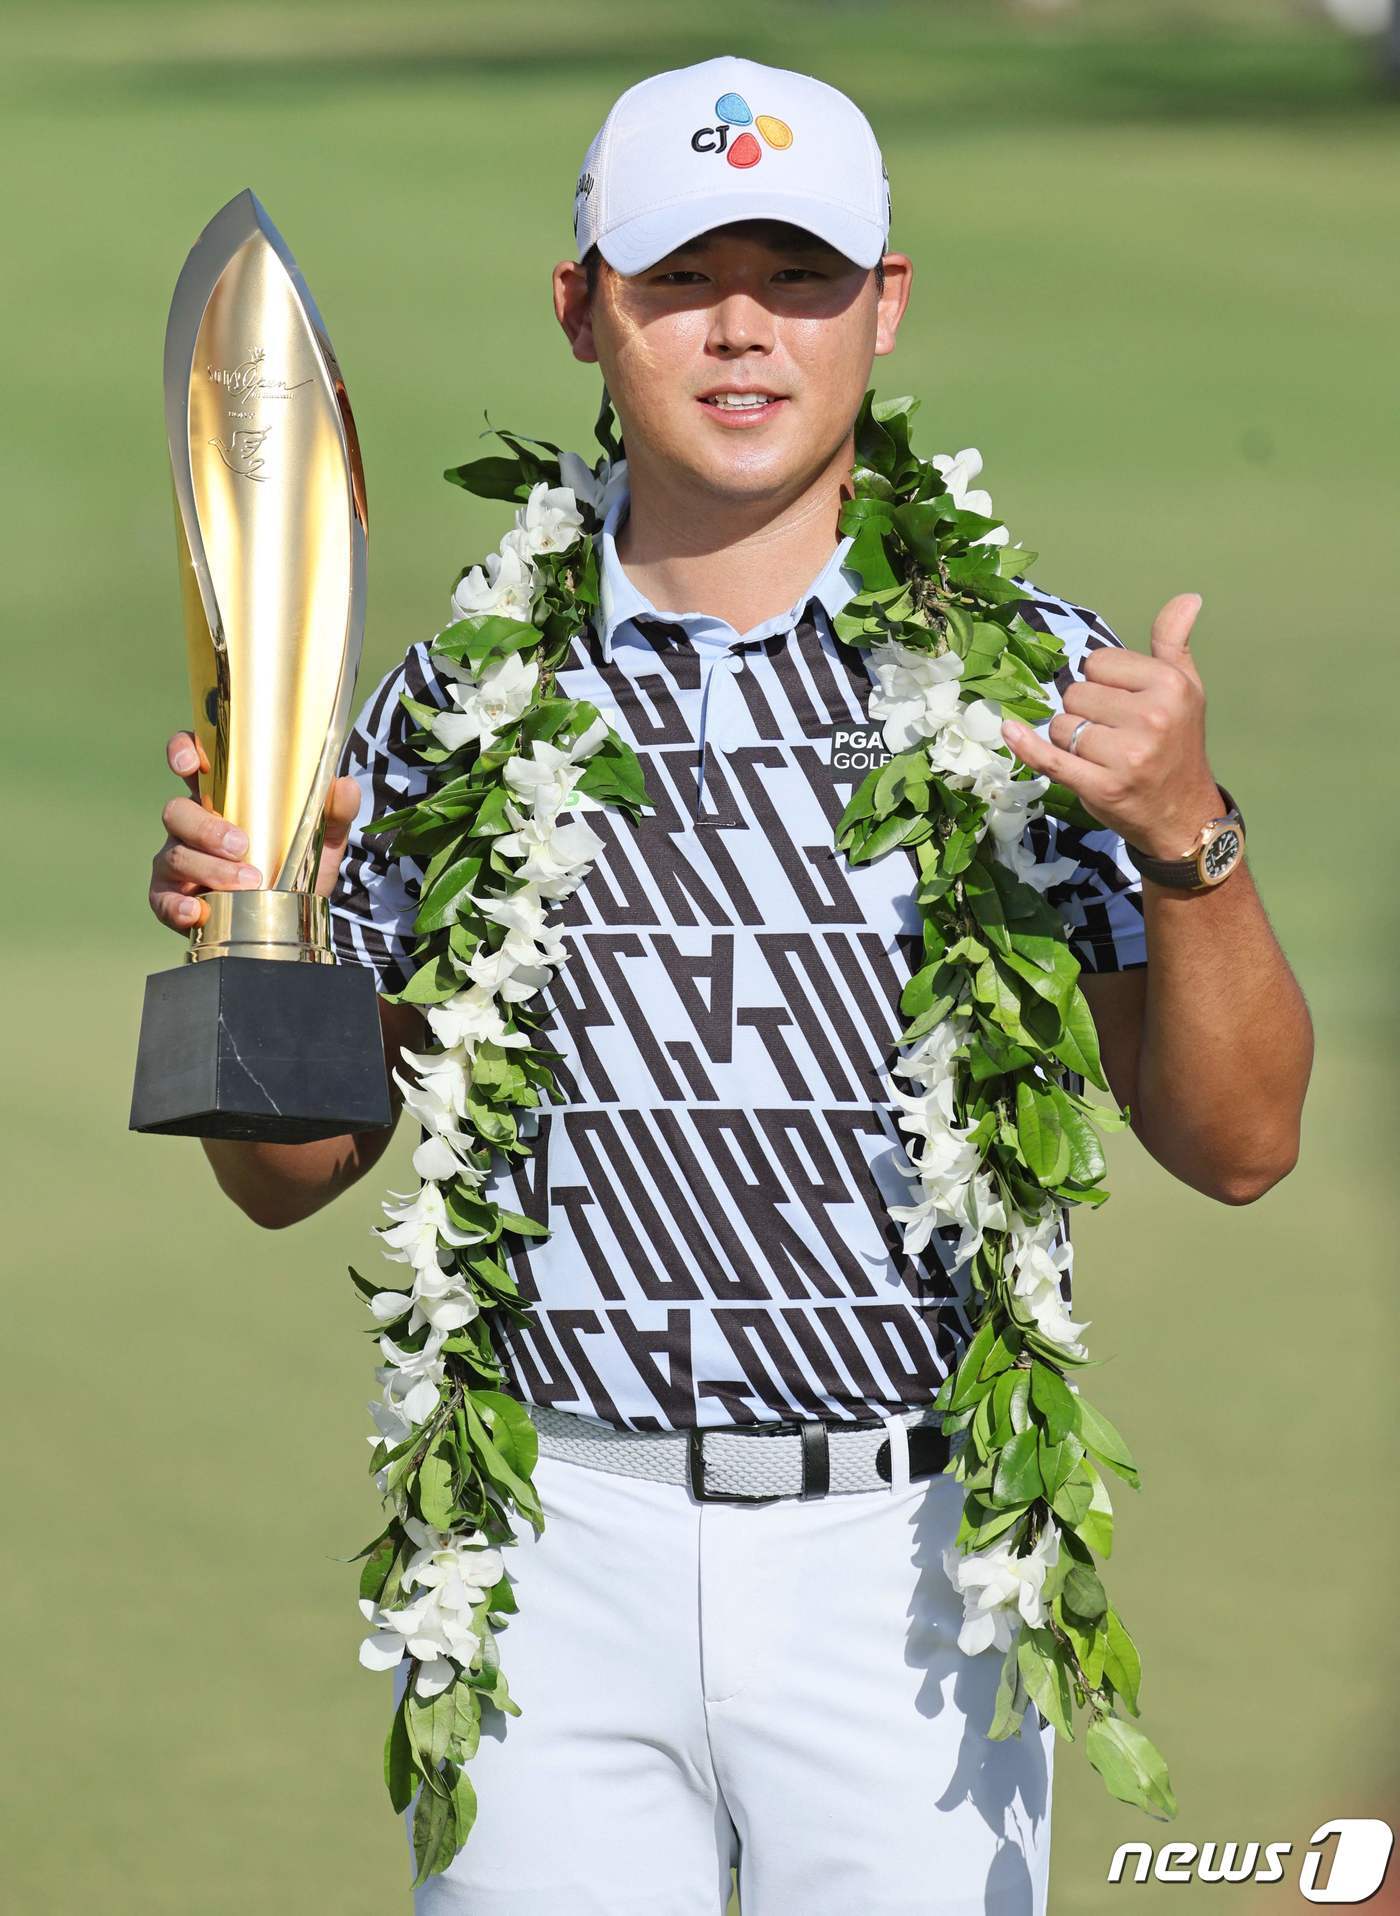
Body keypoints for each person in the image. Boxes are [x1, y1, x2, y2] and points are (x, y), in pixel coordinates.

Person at [146, 54, 1313, 1916]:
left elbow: (1243, 1146)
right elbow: (290, 1178)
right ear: (582, 311)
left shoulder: (1033, 679)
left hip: (909, 1570)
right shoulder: (453, 709)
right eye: (682, 279)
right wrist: (249, 948)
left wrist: (1187, 835)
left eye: (802, 278)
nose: (744, 333)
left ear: (888, 304)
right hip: (548, 1556)